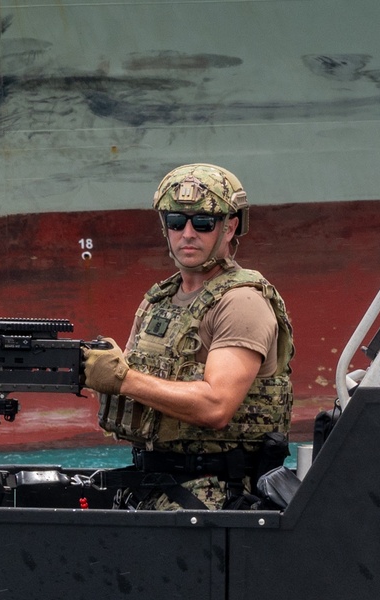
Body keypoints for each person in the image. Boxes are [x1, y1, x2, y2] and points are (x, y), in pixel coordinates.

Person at [80, 163, 294, 510]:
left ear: (230, 227)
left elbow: (217, 406)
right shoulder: (160, 300)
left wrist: (123, 379)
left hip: (214, 496)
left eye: (204, 222)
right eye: (176, 222)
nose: (188, 233)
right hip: (155, 485)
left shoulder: (241, 302)